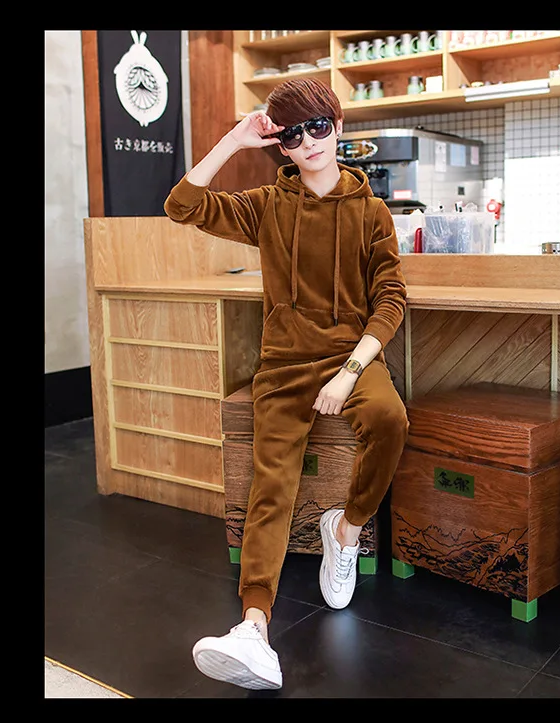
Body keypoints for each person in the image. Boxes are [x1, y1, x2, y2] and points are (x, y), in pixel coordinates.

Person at [163, 78, 409, 690]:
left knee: (389, 419)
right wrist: (234, 141)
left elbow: (390, 298)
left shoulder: (372, 212)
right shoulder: (268, 205)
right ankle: (253, 628)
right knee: (270, 485)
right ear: (281, 146)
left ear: (339, 126)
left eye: (318, 127)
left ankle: (345, 530)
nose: (308, 143)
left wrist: (350, 371)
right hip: (283, 364)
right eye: (292, 135)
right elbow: (182, 205)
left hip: (352, 358)